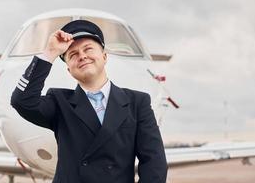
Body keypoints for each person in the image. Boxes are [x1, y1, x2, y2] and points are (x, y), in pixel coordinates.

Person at [10, 20, 167, 183]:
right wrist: (50, 52)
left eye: (88, 49)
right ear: (69, 69)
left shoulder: (138, 102)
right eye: (73, 54)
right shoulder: (59, 103)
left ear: (104, 56)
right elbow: (21, 101)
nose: (82, 56)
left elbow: (154, 162)